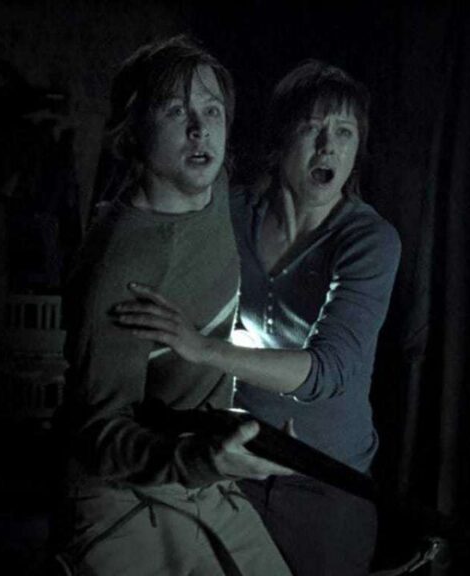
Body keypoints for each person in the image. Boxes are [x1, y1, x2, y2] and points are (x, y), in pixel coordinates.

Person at [113, 60, 401, 576]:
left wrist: (202, 348)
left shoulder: (368, 240)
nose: (328, 147)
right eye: (311, 128)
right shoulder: (233, 211)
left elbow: (328, 371)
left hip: (324, 483)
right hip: (232, 465)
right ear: (281, 137)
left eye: (344, 132)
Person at [53, 36, 293, 576]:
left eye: (212, 110)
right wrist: (198, 459)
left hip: (202, 480)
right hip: (122, 499)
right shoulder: (119, 265)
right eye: (175, 111)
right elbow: (98, 433)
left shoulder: (212, 184)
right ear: (133, 130)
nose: (200, 129)